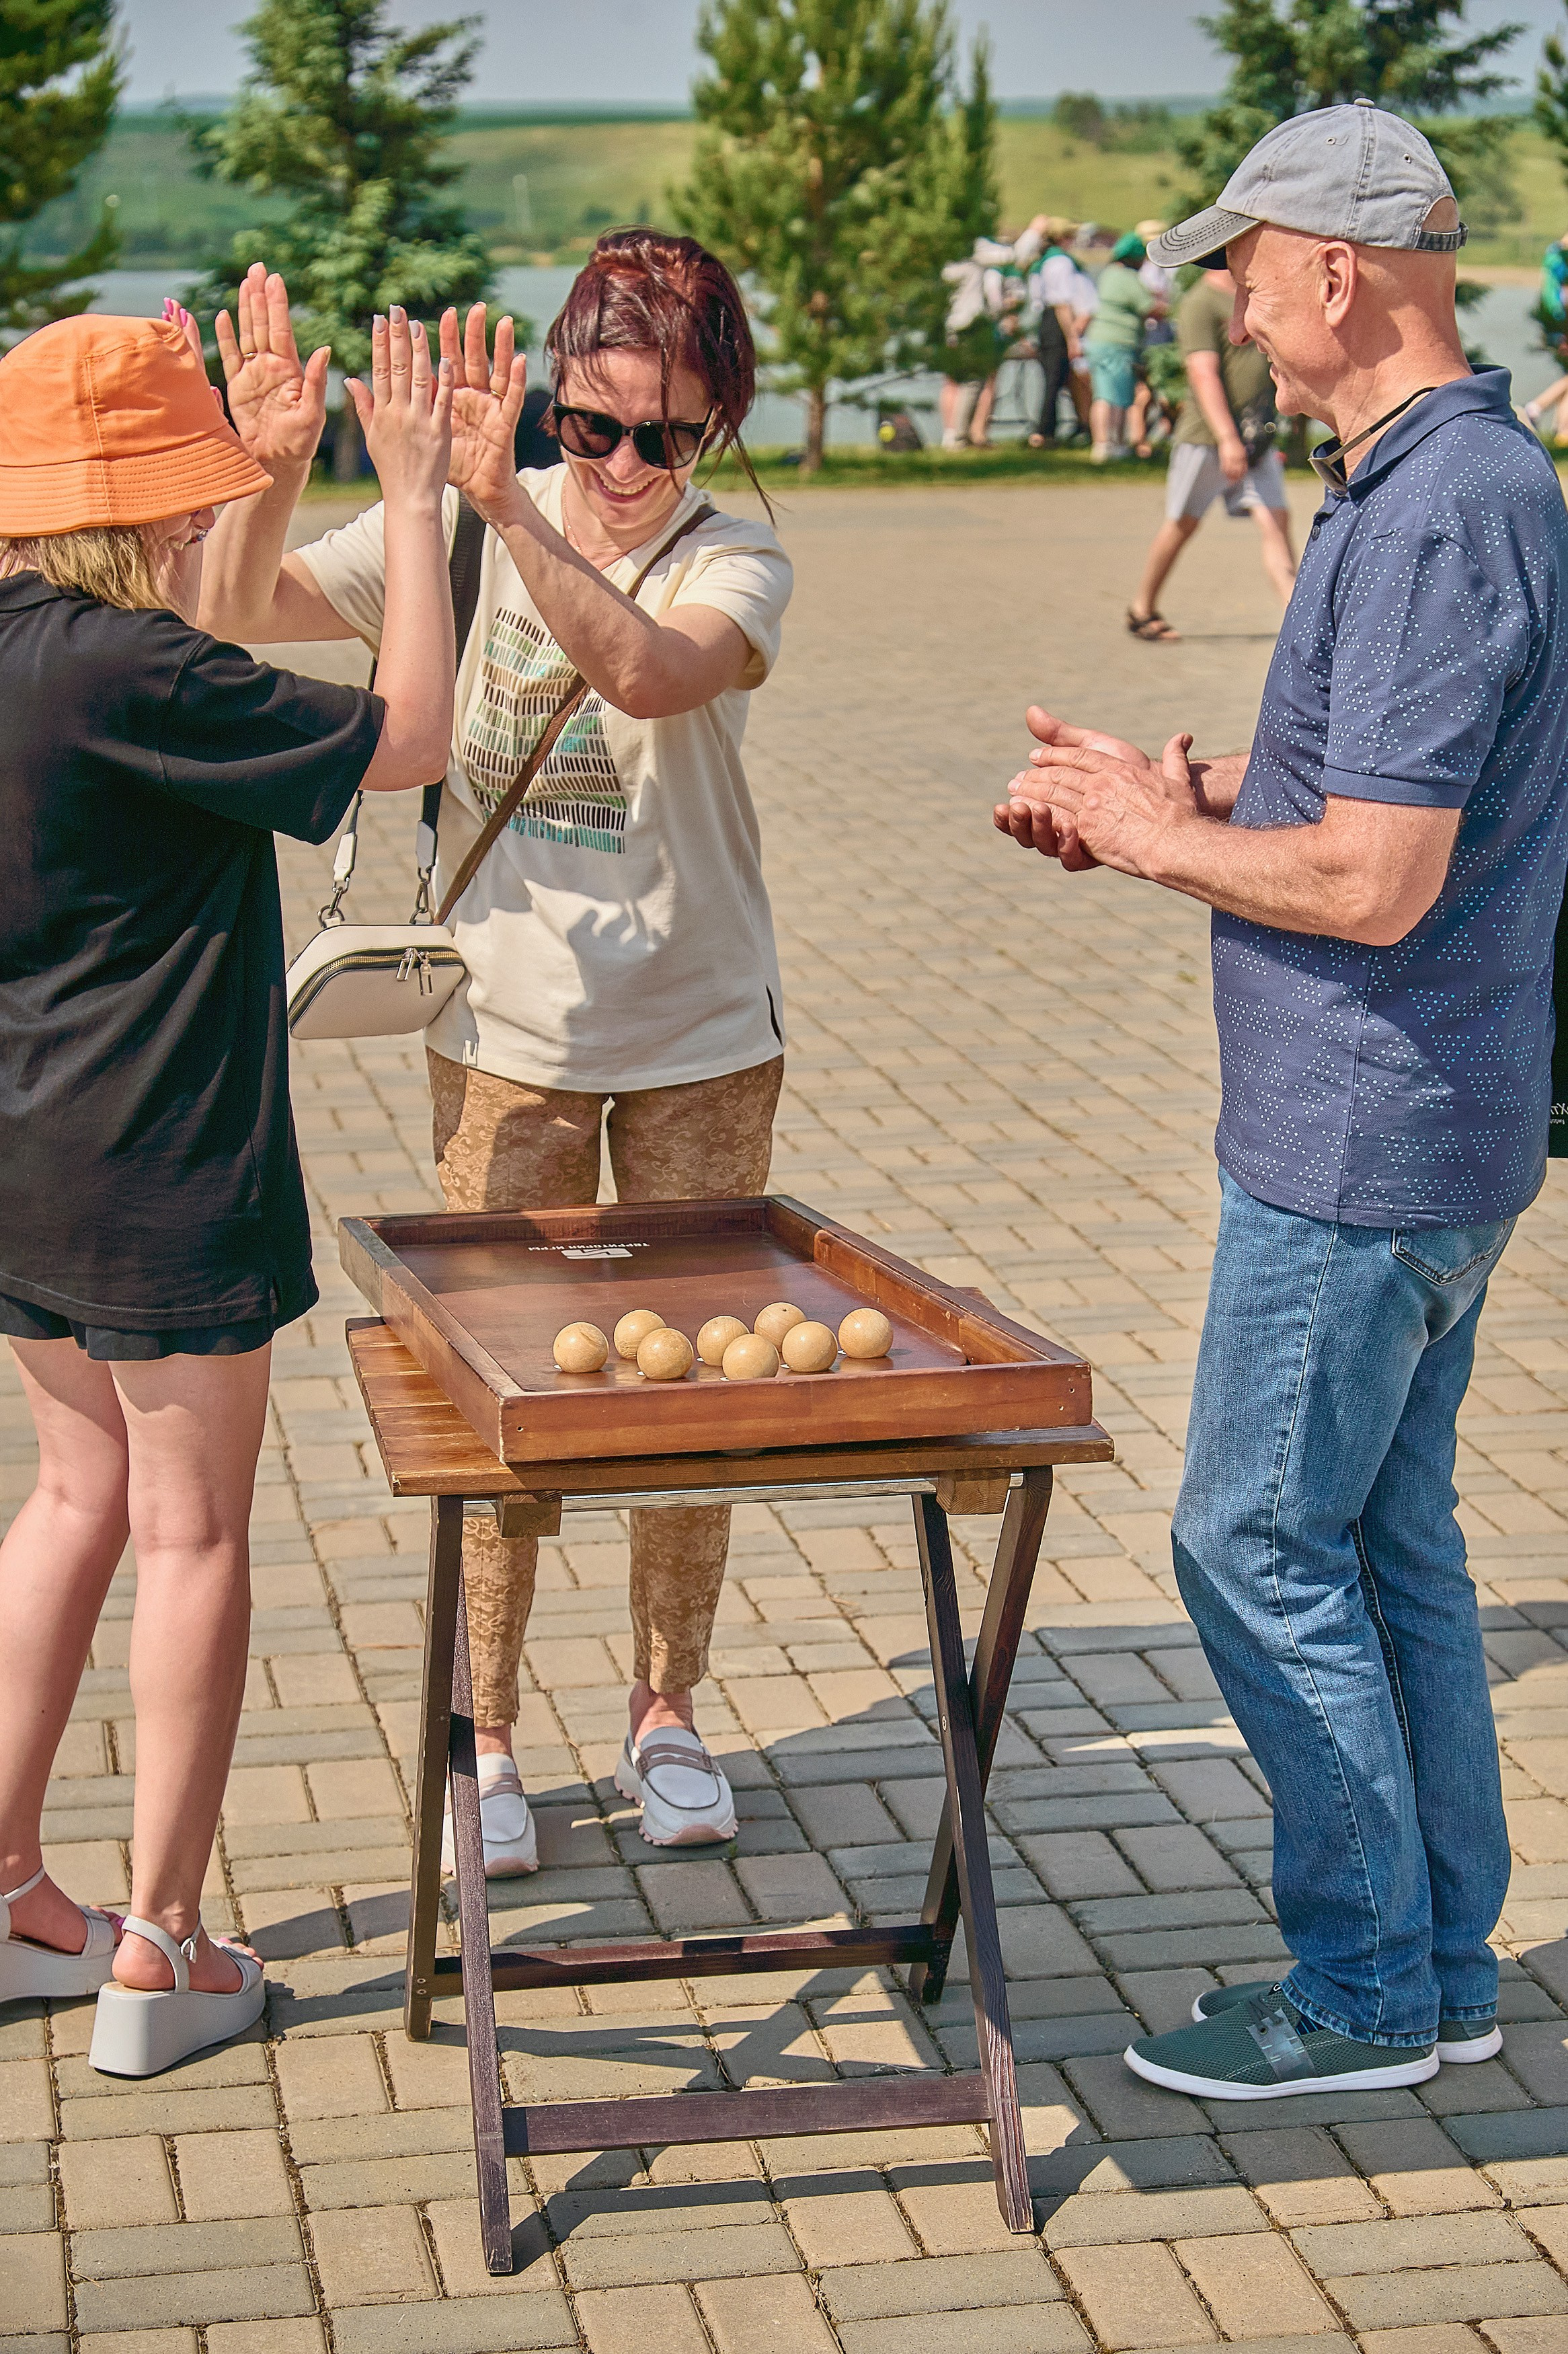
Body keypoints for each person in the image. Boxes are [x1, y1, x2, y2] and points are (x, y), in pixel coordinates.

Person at [996, 102, 1568, 2098]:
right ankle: (1443, 1959)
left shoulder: (1431, 507)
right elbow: (1386, 807)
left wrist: (1158, 842)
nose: (1230, 310)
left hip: (1362, 1134)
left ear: (1337, 270)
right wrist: (1185, 798)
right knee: (1384, 1536)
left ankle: (1359, 1991)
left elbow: (1379, 881)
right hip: (1428, 1119)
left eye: (1241, 268)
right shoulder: (1442, 479)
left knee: (1248, 1536)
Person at [200, 234, 794, 1875]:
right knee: (502, 1402)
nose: (617, 463)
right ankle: (491, 1735)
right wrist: (268, 460)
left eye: (659, 435)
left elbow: (650, 678)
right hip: (505, 1035)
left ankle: (667, 1709)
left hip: (697, 1039)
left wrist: (515, 507)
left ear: (714, 430)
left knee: (701, 1403)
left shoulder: (727, 558)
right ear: (550, 395)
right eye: (587, 423)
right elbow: (231, 608)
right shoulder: (455, 513)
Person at [0, 308, 454, 2067]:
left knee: (67, 1500)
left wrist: (262, 471)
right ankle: (161, 1951)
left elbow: (179, 671)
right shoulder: (129, 671)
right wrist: (406, 499)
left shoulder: (62, 652)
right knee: (190, 1531)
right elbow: (403, 737)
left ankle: (21, 1892)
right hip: (166, 1163)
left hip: (28, 1157)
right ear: (141, 498)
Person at [1126, 254, 1296, 642]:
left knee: (1275, 522)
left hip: (1256, 436)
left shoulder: (1255, 295)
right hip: (1207, 437)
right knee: (1183, 523)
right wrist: (1227, 439)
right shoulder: (1200, 303)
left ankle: (1298, 619)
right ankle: (1142, 607)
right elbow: (1202, 374)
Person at [940, 219, 1047, 449]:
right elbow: (1014, 255)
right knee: (973, 382)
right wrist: (1035, 231)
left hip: (947, 324)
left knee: (952, 382)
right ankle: (960, 438)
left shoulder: (944, 251)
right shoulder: (974, 248)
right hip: (970, 325)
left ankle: (951, 435)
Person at [1082, 232, 1165, 461]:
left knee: (1101, 395)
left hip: (1097, 340)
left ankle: (1100, 443)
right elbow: (1148, 306)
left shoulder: (1108, 274)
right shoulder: (1127, 278)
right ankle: (1115, 445)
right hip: (1119, 343)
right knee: (1118, 396)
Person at [1026, 219, 1081, 449]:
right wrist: (1072, 337)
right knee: (1054, 378)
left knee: (1054, 378)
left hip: (1045, 320)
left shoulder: (1042, 262)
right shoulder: (1061, 262)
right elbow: (1062, 303)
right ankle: (1045, 430)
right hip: (1057, 321)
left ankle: (1051, 428)